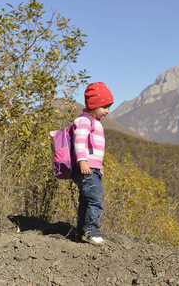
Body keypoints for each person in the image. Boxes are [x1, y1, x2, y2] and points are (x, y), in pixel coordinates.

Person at [71, 82, 113, 244]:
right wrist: (82, 161)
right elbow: (79, 142)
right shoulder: (84, 121)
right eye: (104, 107)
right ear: (94, 106)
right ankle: (91, 230)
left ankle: (80, 232)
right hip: (85, 168)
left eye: (109, 106)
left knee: (86, 200)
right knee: (96, 198)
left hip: (92, 168)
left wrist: (99, 168)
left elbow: (96, 151)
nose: (107, 111)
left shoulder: (95, 123)